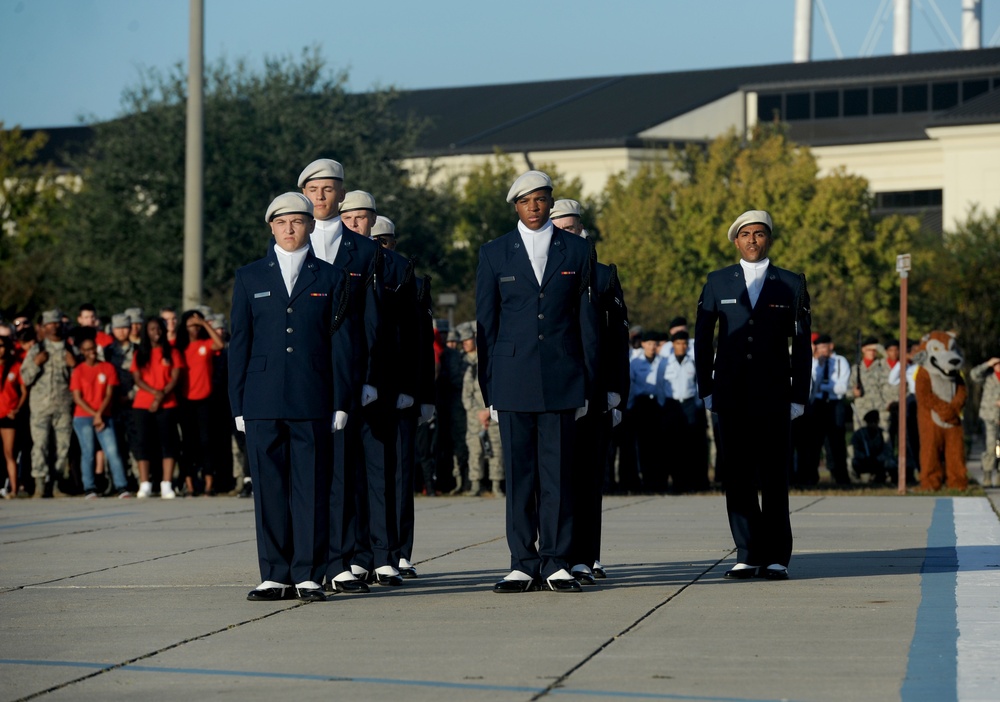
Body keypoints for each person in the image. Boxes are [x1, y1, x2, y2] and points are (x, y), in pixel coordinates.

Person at [476, 170, 598, 593]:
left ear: (550, 202)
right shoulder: (494, 253)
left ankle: (557, 560)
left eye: (541, 199)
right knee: (520, 476)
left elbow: (587, 322)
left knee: (559, 475)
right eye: (526, 200)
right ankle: (522, 561)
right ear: (515, 205)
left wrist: (588, 383)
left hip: (563, 377)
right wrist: (489, 388)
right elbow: (486, 325)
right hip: (512, 379)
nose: (534, 206)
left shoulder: (578, 250)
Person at [229, 191, 353, 602]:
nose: (289, 229)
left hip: (312, 397)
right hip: (261, 400)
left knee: (311, 489)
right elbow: (240, 345)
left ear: (311, 226)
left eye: (297, 222)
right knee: (268, 489)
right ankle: (275, 574)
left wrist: (341, 401)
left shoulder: (332, 279)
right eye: (281, 223)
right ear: (271, 227)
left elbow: (342, 346)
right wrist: (238, 405)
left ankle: (308, 574)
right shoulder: (249, 277)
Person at [694, 210, 811, 581]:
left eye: (759, 234)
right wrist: (706, 388)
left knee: (774, 476)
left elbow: (803, 344)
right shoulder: (717, 282)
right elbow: (702, 339)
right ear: (736, 241)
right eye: (745, 234)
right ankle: (747, 552)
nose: (753, 240)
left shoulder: (790, 284)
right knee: (738, 474)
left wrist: (799, 394)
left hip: (774, 393)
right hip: (730, 393)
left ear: (769, 239)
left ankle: (776, 556)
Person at [298, 158, 381, 594]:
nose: (322, 196)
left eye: (330, 189)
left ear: (341, 194)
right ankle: (307, 558)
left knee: (344, 469)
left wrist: (364, 378)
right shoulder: (291, 242)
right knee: (306, 470)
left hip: (344, 373)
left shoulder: (363, 252)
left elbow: (369, 323)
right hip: (302, 373)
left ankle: (343, 559)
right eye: (315, 189)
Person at [551, 198, 630, 582]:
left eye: (572, 228)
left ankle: (586, 555)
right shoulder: (541, 276)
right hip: (553, 392)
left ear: (583, 231)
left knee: (587, 479)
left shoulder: (602, 276)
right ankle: (555, 555)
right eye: (560, 228)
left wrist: (617, 391)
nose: (567, 234)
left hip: (595, 392)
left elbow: (618, 338)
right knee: (552, 479)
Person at [20, 309, 76, 497]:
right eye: (50, 324)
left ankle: (57, 484)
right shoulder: (37, 349)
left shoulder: (70, 349)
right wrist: (36, 363)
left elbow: (80, 381)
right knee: (40, 445)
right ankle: (40, 484)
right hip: (40, 406)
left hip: (63, 405)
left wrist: (73, 366)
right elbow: (25, 378)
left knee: (63, 446)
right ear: (43, 327)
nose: (54, 326)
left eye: (57, 323)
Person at [69, 338, 132, 498]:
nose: (91, 352)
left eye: (93, 349)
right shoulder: (79, 371)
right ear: (82, 352)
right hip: (83, 417)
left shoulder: (107, 368)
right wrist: (93, 414)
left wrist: (99, 414)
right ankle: (89, 487)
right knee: (88, 452)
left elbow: (109, 393)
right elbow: (77, 398)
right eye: (87, 349)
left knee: (112, 451)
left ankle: (121, 486)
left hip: (104, 415)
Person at [131, 316, 184, 499]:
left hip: (168, 404)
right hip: (143, 405)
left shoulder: (173, 352)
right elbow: (137, 378)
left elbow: (175, 377)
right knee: (143, 443)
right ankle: (145, 483)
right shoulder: (140, 353)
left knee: (168, 443)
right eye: (152, 329)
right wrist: (155, 394)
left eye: (159, 328)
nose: (156, 332)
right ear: (147, 331)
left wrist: (161, 395)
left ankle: (166, 483)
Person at [176, 310, 225, 496]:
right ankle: (189, 484)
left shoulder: (206, 344)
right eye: (191, 325)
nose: (194, 329)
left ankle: (208, 484)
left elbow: (219, 343)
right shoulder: (180, 348)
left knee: (206, 442)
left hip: (205, 400)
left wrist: (205, 323)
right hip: (186, 400)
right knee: (188, 443)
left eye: (197, 325)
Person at [458, 321, 504, 497]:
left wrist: (488, 410)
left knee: (496, 452)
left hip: (492, 415)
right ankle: (476, 484)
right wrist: (477, 412)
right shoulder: (472, 368)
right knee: (475, 450)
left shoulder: (494, 363)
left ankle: (496, 485)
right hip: (475, 417)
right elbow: (466, 395)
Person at [0, 335, 27, 498]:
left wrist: (17, 409)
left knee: (9, 452)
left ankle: (14, 489)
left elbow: (24, 391)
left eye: (2, 345)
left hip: (8, 415)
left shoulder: (16, 367)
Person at [970, 355, 1000, 487]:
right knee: (990, 446)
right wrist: (987, 364)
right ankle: (987, 475)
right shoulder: (988, 378)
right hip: (990, 416)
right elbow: (974, 375)